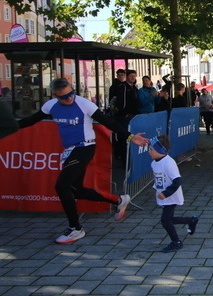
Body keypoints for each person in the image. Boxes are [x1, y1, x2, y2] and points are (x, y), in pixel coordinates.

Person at [14, 78, 148, 243]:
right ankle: (118, 200)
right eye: (64, 97)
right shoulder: (50, 106)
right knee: (76, 190)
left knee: (62, 186)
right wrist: (7, 126)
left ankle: (75, 228)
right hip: (70, 150)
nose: (69, 98)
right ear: (55, 96)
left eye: (71, 93)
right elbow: (31, 120)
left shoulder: (84, 104)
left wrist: (130, 136)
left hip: (85, 147)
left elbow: (108, 122)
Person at [149, 135, 198, 253]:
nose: (149, 152)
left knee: (165, 220)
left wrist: (166, 193)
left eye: (151, 149)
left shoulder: (169, 162)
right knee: (169, 219)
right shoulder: (154, 163)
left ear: (159, 150)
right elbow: (158, 178)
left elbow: (177, 180)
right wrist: (158, 190)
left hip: (171, 196)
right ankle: (191, 220)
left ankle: (176, 242)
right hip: (163, 196)